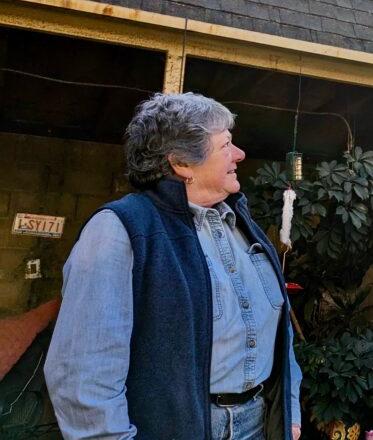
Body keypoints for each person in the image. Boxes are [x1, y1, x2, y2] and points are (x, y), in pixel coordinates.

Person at [45, 93, 302, 440]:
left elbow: (279, 335)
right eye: (226, 144)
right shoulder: (120, 229)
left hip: (258, 424)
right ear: (182, 163)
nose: (239, 154)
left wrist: (289, 411)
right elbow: (84, 377)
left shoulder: (242, 225)